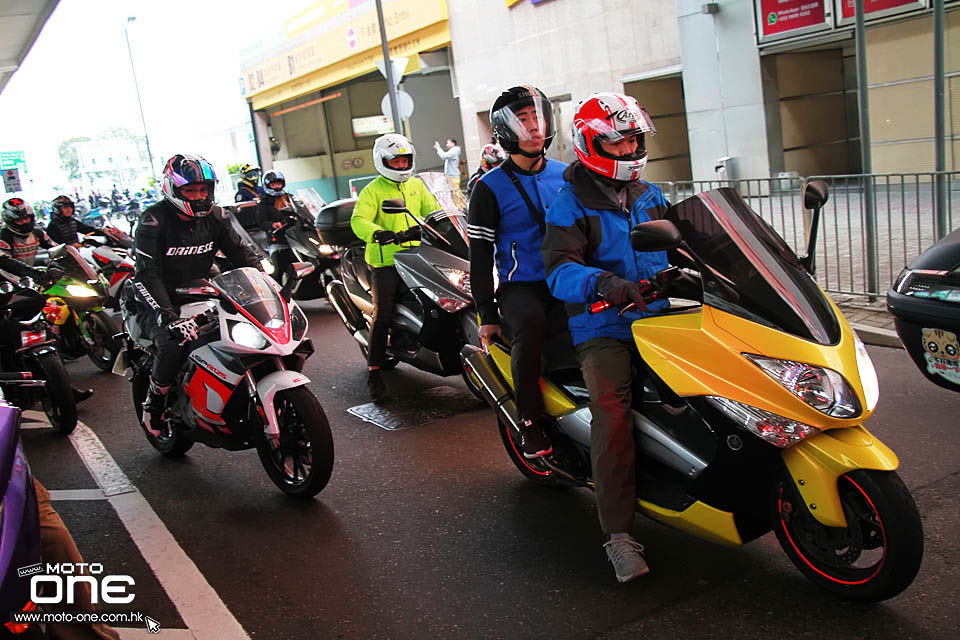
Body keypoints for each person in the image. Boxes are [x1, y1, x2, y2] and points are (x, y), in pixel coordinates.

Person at [542, 92, 669, 583]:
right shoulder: (568, 204)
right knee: (613, 413)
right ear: (592, 144)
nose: (631, 150)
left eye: (635, 140)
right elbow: (559, 270)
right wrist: (602, 283)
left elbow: (686, 241)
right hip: (604, 325)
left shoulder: (649, 194)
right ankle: (619, 536)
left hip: (659, 317)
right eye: (620, 142)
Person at [466, 85, 569, 459]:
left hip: (570, 277)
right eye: (523, 119)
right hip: (521, 286)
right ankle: (530, 421)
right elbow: (479, 256)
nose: (534, 127)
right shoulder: (488, 188)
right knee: (530, 326)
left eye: (538, 117)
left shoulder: (567, 175)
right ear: (506, 129)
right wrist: (486, 315)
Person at [134, 154, 262, 435]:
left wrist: (267, 287)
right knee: (171, 347)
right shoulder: (153, 220)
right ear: (172, 189)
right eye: (190, 191)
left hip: (200, 293)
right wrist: (168, 316)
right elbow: (147, 273)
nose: (199, 196)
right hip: (155, 299)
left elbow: (243, 255)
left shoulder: (216, 216)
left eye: (203, 189)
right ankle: (154, 404)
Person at [351, 133, 440, 401]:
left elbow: (434, 211)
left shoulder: (417, 186)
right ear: (382, 161)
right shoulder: (373, 190)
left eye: (405, 160)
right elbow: (359, 220)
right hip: (386, 261)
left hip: (416, 256)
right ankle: (375, 371)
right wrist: (377, 233)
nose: (401, 165)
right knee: (383, 315)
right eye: (396, 161)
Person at [255, 169, 299, 283]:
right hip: (278, 240)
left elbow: (300, 211)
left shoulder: (290, 198)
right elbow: (261, 224)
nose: (276, 186)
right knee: (278, 269)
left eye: (279, 183)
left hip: (296, 238)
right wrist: (273, 224)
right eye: (273, 184)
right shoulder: (264, 203)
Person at [1, 197, 56, 265]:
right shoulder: (4, 237)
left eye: (26, 218)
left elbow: (56, 248)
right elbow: (6, 263)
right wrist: (34, 273)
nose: (25, 222)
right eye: (19, 220)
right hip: (7, 274)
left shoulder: (37, 233)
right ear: (11, 222)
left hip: (28, 271)